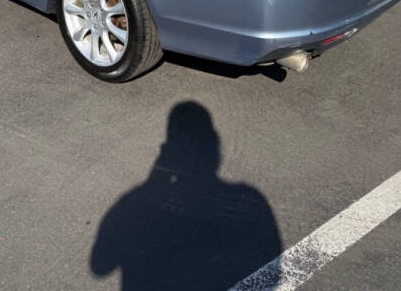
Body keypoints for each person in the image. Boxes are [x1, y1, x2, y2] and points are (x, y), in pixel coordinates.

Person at [90, 102, 281, 290]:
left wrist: (155, 182)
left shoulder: (134, 201)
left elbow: (100, 266)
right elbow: (271, 271)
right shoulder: (249, 197)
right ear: (215, 148)